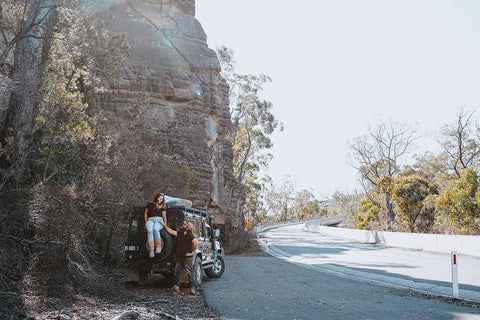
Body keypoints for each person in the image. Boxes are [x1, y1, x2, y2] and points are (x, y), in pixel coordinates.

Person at [160, 221, 198, 295]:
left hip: (188, 257)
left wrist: (192, 252)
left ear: (187, 227)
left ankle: (192, 287)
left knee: (190, 272)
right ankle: (177, 286)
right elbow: (171, 231)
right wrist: (164, 226)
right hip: (180, 256)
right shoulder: (180, 233)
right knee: (177, 271)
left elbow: (195, 243)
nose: (182, 225)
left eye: (184, 224)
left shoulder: (190, 235)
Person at [144, 192, 168, 258]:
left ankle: (158, 246)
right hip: (150, 219)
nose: (161, 200)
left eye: (162, 199)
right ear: (157, 197)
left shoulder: (163, 206)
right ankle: (151, 249)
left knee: (155, 229)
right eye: (160, 198)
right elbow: (146, 214)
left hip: (159, 219)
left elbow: (164, 216)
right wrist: (146, 222)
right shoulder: (149, 204)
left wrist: (165, 224)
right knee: (149, 230)